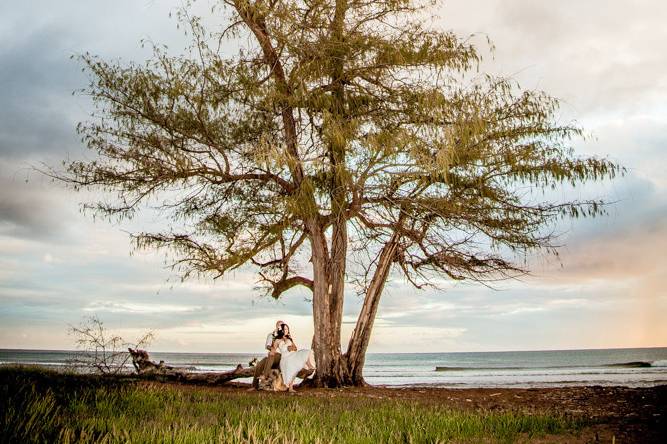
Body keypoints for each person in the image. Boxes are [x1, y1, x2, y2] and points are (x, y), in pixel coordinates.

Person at [270, 323, 316, 392]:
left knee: (306, 352)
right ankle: (290, 388)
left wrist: (290, 348)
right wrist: (271, 352)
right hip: (285, 358)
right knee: (292, 367)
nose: (287, 330)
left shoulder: (289, 339)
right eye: (285, 329)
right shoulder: (277, 340)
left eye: (287, 329)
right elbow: (273, 349)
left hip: (292, 355)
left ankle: (309, 365)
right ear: (281, 330)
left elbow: (295, 348)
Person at [252, 320, 284, 390]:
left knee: (271, 355)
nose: (281, 327)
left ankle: (264, 376)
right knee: (259, 365)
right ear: (276, 326)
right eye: (279, 325)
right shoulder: (271, 335)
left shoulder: (285, 336)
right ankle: (254, 386)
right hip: (271, 356)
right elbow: (267, 346)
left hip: (280, 356)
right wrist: (272, 348)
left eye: (282, 325)